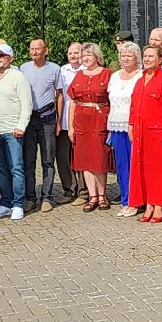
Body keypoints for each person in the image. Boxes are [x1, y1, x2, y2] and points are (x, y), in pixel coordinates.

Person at [128, 44, 162, 222]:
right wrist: (131, 125)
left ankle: (159, 204)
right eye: (145, 56)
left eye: (151, 56)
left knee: (159, 170)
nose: (147, 59)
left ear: (160, 60)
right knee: (143, 168)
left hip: (158, 133)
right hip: (141, 132)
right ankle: (148, 202)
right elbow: (134, 106)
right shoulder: (140, 80)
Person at [0, 41, 32, 220]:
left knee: (16, 167)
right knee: (1, 168)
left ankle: (18, 203)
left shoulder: (18, 77)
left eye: (1, 55)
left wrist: (21, 126)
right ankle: (5, 202)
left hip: (13, 129)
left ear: (10, 58)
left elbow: (26, 104)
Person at [68, 42, 113, 210]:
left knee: (99, 158)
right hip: (81, 121)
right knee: (85, 160)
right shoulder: (78, 75)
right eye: (83, 56)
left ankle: (102, 195)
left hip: (100, 120)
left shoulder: (107, 74)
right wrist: (70, 126)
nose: (85, 58)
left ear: (97, 57)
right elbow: (72, 101)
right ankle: (92, 196)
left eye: (88, 55)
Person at [21, 38, 63, 212]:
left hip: (47, 118)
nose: (34, 52)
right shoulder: (23, 68)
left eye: (38, 49)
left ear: (46, 50)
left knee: (47, 159)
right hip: (30, 119)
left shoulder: (54, 69)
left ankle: (47, 196)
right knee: (28, 161)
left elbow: (59, 95)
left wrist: (59, 121)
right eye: (32, 49)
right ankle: (30, 197)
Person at [107, 43, 140, 216]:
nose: (125, 58)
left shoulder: (140, 76)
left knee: (135, 164)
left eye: (129, 55)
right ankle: (126, 199)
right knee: (121, 165)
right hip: (116, 126)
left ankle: (136, 200)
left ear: (137, 58)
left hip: (133, 126)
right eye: (123, 55)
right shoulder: (114, 76)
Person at [58, 42, 83, 202]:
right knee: (62, 156)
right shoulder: (62, 70)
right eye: (70, 53)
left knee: (79, 155)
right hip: (64, 118)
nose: (73, 56)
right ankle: (69, 189)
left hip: (80, 118)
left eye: (76, 53)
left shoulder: (86, 70)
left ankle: (83, 190)